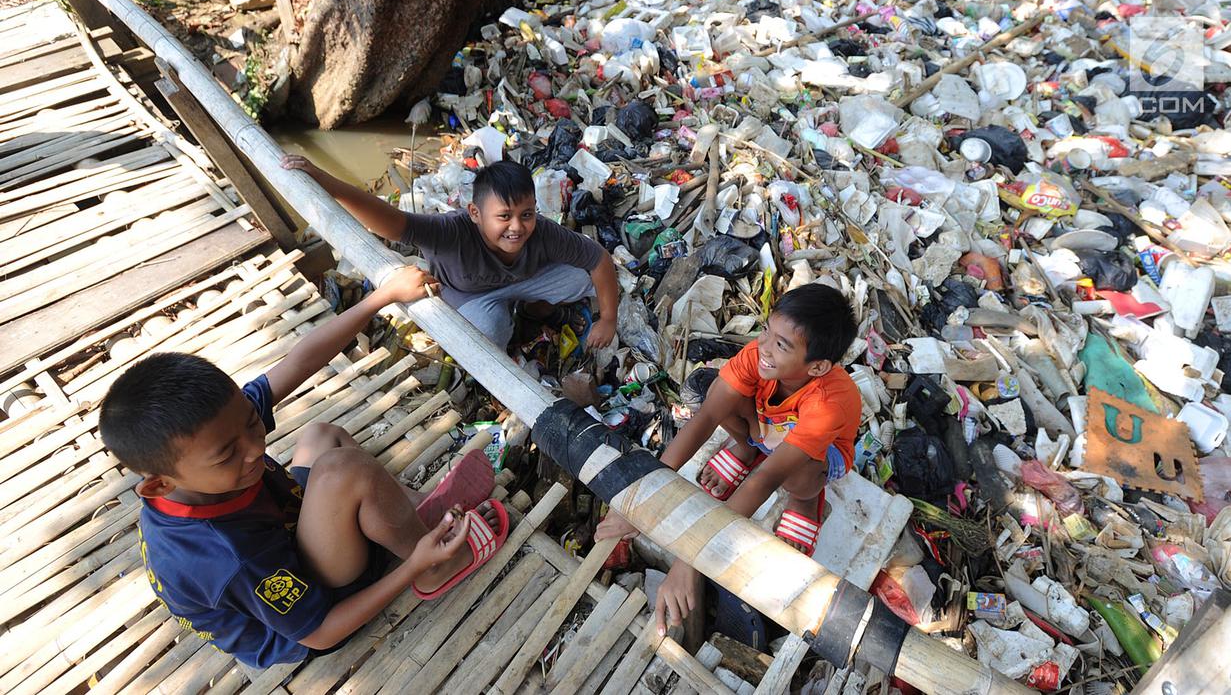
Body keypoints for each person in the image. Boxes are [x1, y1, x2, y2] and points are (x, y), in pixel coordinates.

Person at [99, 267, 509, 668]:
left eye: (251, 422)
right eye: (227, 454)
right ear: (160, 485)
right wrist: (411, 570)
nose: (254, 449)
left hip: (283, 534)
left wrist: (381, 297)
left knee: (318, 436)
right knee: (344, 470)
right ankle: (434, 565)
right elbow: (320, 633)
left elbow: (300, 362)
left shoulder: (213, 431)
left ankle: (418, 515)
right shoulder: (226, 557)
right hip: (309, 613)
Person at [596, 284, 861, 636]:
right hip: (768, 428)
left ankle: (805, 504)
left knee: (796, 476)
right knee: (717, 394)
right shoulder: (759, 356)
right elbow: (705, 419)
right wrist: (643, 496)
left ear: (818, 367)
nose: (763, 346)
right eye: (766, 329)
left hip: (819, 456)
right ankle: (743, 448)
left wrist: (691, 557)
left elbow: (764, 479)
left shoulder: (830, 402)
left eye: (781, 345)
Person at [280, 155, 620, 351]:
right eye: (503, 216)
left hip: (526, 281)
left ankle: (533, 310)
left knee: (581, 278)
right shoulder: (450, 231)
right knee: (491, 333)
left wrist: (608, 320)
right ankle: (516, 319)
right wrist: (326, 180)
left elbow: (599, 259)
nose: (517, 227)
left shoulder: (543, 231)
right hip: (469, 296)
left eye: (526, 215)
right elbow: (391, 222)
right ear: (475, 213)